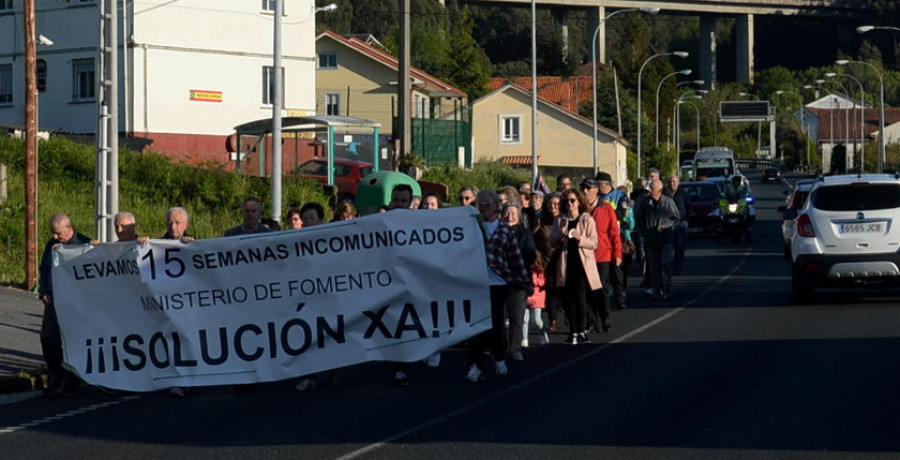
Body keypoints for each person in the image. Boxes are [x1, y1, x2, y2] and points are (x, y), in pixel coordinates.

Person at [466, 190, 532, 383]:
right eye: (481, 205)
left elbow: (515, 258)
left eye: (487, 204)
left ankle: (499, 357)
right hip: (477, 283)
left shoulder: (505, 230)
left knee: (496, 325)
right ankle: (475, 366)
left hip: (499, 283)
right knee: (476, 327)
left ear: (496, 206)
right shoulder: (472, 228)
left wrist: (524, 282)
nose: (483, 208)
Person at [38, 213, 92, 397]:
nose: (55, 237)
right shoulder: (50, 245)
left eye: (58, 233)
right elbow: (44, 269)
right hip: (53, 301)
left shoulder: (85, 244)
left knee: (72, 341)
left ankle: (71, 379)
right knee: (48, 337)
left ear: (68, 228)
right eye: (53, 233)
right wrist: (43, 290)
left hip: (75, 304)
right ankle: (56, 375)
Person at [551, 189, 602, 345]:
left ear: (579, 202)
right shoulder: (560, 220)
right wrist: (561, 234)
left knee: (580, 298)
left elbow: (594, 243)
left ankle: (582, 331)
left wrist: (580, 238)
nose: (569, 204)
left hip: (582, 265)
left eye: (572, 200)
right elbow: (552, 242)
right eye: (566, 201)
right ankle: (572, 332)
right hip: (566, 264)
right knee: (568, 299)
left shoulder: (586, 219)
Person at [501, 202, 535, 362]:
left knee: (516, 317)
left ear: (519, 215)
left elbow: (531, 254)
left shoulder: (524, 232)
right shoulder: (498, 231)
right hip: (500, 279)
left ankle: (515, 348)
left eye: (513, 213)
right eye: (507, 212)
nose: (510, 216)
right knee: (498, 317)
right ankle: (499, 347)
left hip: (519, 279)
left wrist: (516, 260)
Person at [636, 179, 680, 300]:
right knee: (654, 265)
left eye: (652, 188)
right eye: (649, 188)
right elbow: (639, 219)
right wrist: (644, 233)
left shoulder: (668, 202)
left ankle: (666, 288)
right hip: (651, 240)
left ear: (659, 190)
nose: (650, 190)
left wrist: (665, 226)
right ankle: (656, 289)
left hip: (666, 239)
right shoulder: (646, 203)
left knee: (665, 263)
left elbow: (677, 218)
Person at [596, 172, 628, 310]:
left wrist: (606, 214)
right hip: (599, 237)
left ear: (606, 184)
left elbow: (621, 213)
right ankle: (602, 298)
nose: (596, 188)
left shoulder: (620, 196)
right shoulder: (595, 198)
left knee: (617, 269)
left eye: (598, 184)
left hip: (616, 235)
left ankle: (620, 297)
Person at [667, 175, 692, 275]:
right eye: (670, 182)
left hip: (681, 224)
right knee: (669, 247)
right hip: (668, 224)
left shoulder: (683, 194)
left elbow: (689, 207)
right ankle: (669, 267)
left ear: (678, 183)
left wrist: (686, 220)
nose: (672, 184)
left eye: (674, 182)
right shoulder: (665, 194)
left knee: (680, 247)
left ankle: (678, 267)